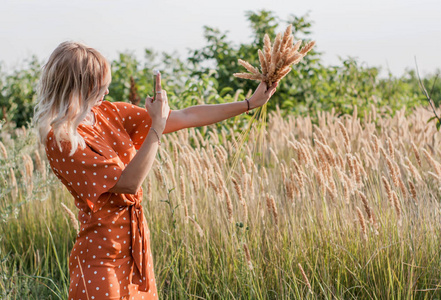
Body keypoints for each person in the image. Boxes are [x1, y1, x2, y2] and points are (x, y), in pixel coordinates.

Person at [34, 41, 277, 300]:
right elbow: (129, 184)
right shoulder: (62, 140)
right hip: (101, 259)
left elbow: (186, 117)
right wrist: (156, 128)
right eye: (100, 85)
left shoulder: (108, 113)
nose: (106, 91)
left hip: (136, 250)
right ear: (80, 86)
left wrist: (249, 103)